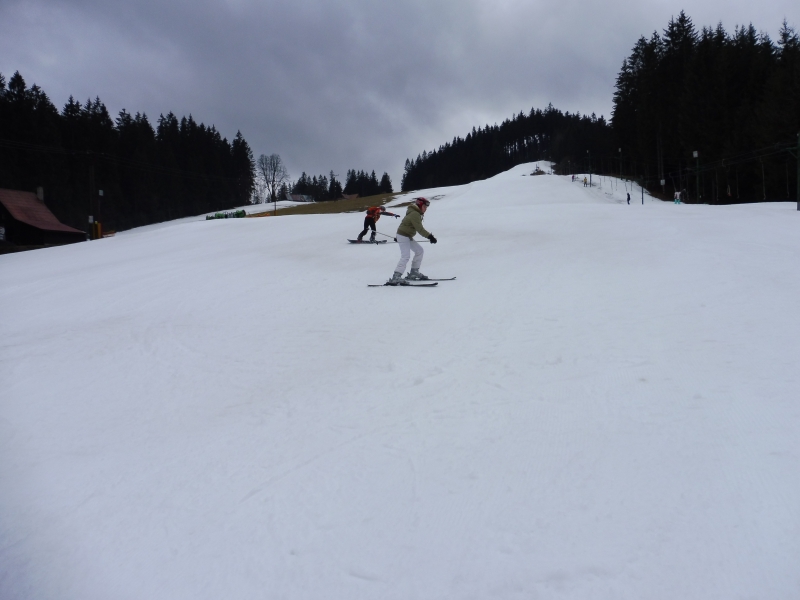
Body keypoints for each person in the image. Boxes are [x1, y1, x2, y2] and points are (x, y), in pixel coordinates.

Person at [388, 197, 437, 284]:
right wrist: (430, 237)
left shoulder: (415, 212)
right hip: (403, 235)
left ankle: (414, 272)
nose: (426, 209)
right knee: (405, 256)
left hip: (406, 235)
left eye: (426, 207)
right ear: (420, 205)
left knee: (419, 251)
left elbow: (406, 224)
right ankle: (396, 276)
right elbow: (420, 229)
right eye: (424, 207)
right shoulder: (415, 214)